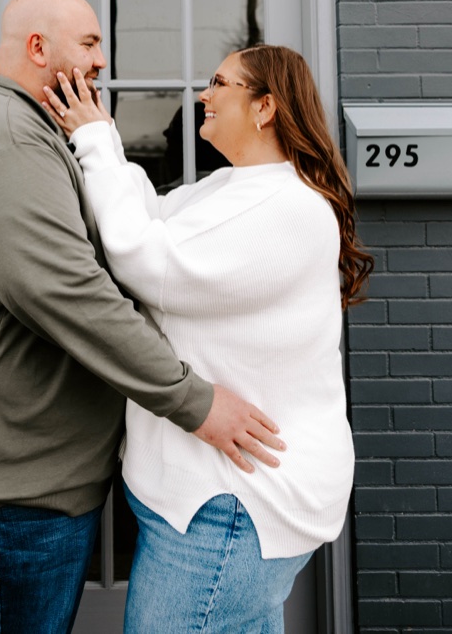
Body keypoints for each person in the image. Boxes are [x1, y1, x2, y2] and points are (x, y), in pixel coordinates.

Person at [0, 0, 287, 633]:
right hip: (4, 495)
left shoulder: (35, 135)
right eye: (91, 43)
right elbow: (71, 296)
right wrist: (196, 402)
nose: (103, 60)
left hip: (19, 479)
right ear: (39, 48)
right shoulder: (8, 145)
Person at [40, 43, 365, 631]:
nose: (202, 96)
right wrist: (104, 136)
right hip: (211, 496)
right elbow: (151, 214)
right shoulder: (236, 188)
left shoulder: (286, 207)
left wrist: (90, 141)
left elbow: (145, 259)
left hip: (234, 504)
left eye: (219, 83)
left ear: (265, 108)